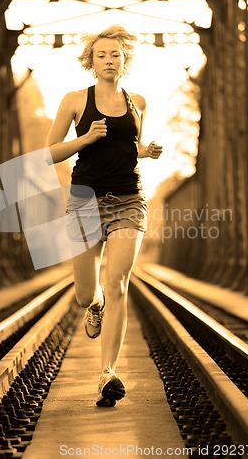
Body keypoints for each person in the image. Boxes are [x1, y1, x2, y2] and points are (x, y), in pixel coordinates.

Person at [45, 25, 162, 407]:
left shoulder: (138, 101)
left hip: (129, 199)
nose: (109, 60)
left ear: (124, 59)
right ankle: (94, 308)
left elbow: (128, 147)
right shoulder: (76, 100)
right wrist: (85, 139)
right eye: (101, 56)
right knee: (85, 294)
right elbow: (50, 153)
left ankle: (107, 372)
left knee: (118, 283)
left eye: (115, 55)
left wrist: (147, 150)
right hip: (84, 200)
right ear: (90, 62)